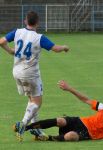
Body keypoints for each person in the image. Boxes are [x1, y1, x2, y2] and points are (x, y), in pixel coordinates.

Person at [0, 11, 69, 141]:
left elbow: (1, 41)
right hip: (30, 73)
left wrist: (10, 51)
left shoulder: (17, 32)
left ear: (25, 21)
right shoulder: (39, 37)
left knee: (31, 100)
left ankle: (37, 130)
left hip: (16, 72)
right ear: (38, 23)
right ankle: (23, 123)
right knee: (37, 102)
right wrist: (65, 47)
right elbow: (55, 48)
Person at [25, 80, 103, 141]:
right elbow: (85, 100)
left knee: (71, 136)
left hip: (86, 134)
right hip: (79, 122)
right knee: (60, 121)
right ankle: (26, 127)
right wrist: (69, 88)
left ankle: (47, 138)